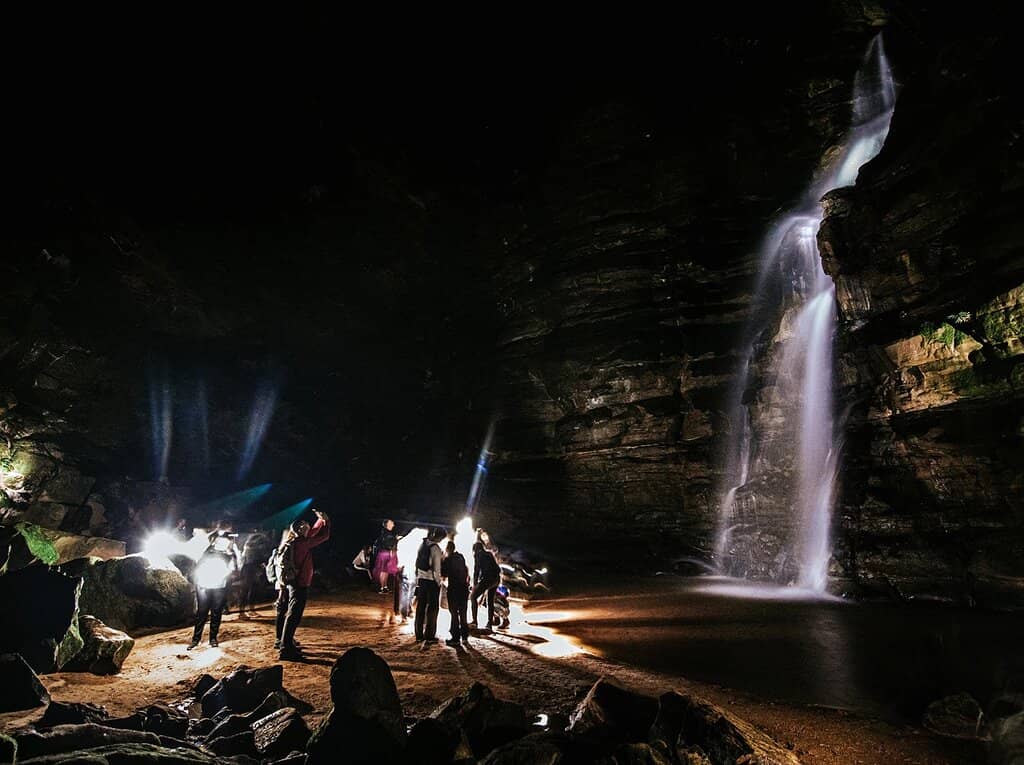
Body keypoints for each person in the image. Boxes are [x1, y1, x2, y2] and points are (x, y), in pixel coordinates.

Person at [275, 508, 330, 660]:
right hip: (299, 583)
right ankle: (286, 649)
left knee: (291, 614)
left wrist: (320, 520)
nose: (308, 526)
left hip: (293, 582)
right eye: (306, 525)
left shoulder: (294, 541)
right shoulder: (302, 544)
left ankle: (286, 644)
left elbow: (312, 533)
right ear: (300, 529)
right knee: (293, 616)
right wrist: (327, 521)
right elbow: (324, 536)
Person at [188, 520, 240, 649]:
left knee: (216, 612)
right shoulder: (206, 550)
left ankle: (213, 638)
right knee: (202, 612)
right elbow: (196, 564)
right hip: (204, 584)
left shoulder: (229, 554)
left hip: (219, 584)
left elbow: (234, 568)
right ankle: (196, 639)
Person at [413, 527, 445, 646]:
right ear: (440, 537)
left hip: (421, 579)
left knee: (420, 606)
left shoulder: (423, 544)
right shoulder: (435, 548)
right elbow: (436, 568)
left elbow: (417, 561)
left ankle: (418, 634)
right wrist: (438, 582)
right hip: (431, 581)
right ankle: (430, 635)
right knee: (432, 608)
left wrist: (418, 577)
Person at [440, 540, 470, 647]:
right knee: (463, 613)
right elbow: (466, 570)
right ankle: (465, 636)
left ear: (447, 550)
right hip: (464, 588)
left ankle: (455, 638)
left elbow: (443, 573)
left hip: (454, 589)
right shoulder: (461, 557)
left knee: (454, 613)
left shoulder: (448, 560)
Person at [238, 528, 272, 617]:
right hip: (251, 568)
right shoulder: (257, 544)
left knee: (250, 590)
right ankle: (244, 611)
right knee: (248, 590)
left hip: (249, 568)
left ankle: (246, 610)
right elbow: (260, 557)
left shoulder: (249, 544)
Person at [470, 541, 500, 631]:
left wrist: (475, 585)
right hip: (496, 579)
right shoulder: (489, 554)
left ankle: (474, 622)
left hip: (488, 579)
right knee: (490, 601)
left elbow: (476, 570)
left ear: (475, 549)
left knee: (473, 597)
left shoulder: (478, 555)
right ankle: (489, 624)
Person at [372, 519, 399, 595]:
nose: (393, 524)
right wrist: (395, 539)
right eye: (391, 523)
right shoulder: (386, 533)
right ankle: (382, 587)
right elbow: (388, 544)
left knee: (386, 571)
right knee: (383, 570)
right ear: (387, 525)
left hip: (386, 553)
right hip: (384, 553)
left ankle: (385, 587)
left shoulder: (387, 533)